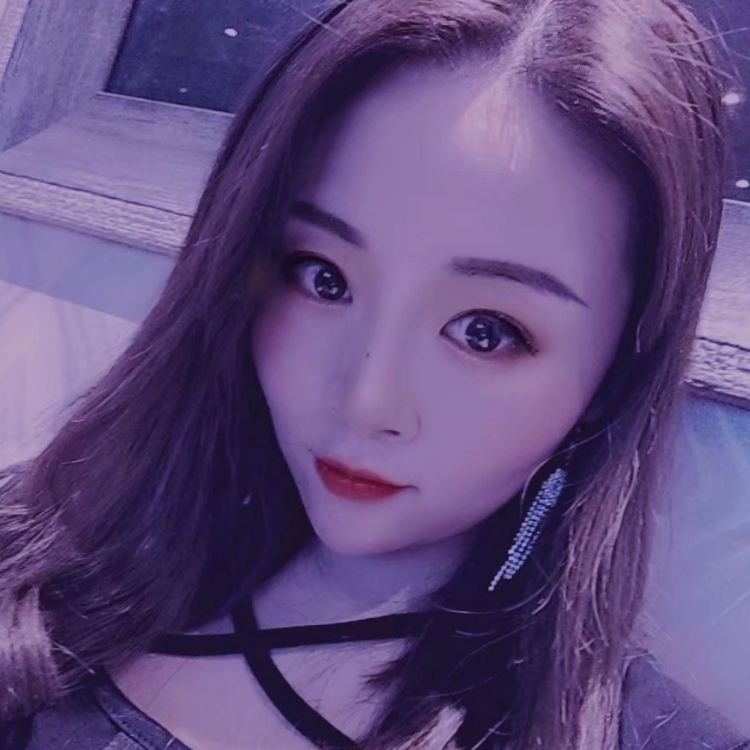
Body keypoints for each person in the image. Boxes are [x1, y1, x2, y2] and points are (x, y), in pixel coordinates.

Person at [0, 0, 747, 748]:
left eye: (485, 332)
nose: (366, 401)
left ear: (617, 370)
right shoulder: (35, 549)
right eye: (322, 278)